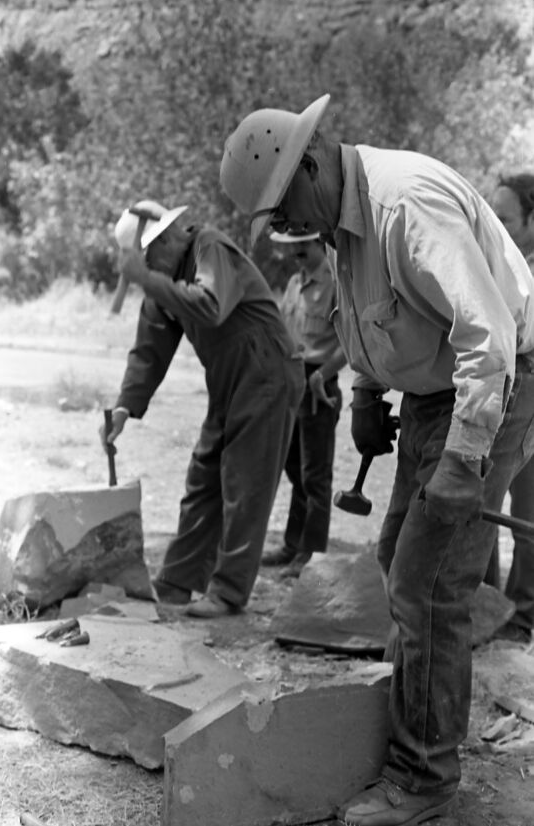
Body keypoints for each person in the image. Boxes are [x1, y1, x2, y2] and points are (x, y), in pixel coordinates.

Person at [220, 95, 534, 825]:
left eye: (281, 205)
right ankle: (420, 718)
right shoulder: (338, 219)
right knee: (398, 556)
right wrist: (365, 391)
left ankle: (423, 777)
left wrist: (463, 456)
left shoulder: (405, 204)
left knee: (427, 580)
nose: (285, 227)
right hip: (433, 391)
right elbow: (372, 315)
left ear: (308, 161)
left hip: (497, 382)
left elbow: (484, 333)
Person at [101, 199, 304, 619]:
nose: (154, 259)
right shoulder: (162, 281)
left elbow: (210, 306)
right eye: (148, 255)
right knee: (203, 476)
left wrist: (147, 280)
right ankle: (177, 580)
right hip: (228, 379)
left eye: (158, 248)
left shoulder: (209, 246)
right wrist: (125, 406)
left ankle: (229, 592)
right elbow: (149, 350)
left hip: (267, 368)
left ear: (176, 235)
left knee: (245, 480)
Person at [261, 230, 346, 577]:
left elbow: (351, 341)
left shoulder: (335, 282)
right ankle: (293, 545)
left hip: (318, 384)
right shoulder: (296, 282)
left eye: (303, 245)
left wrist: (322, 374)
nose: (296, 251)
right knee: (293, 467)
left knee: (315, 475)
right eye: (292, 245)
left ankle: (311, 554)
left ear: (319, 244)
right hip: (292, 380)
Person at [488, 172, 534, 643]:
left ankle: (520, 619)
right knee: (479, 507)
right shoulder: (501, 264)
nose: (497, 226)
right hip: (498, 400)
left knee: (526, 520)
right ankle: (484, 608)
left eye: (506, 218)